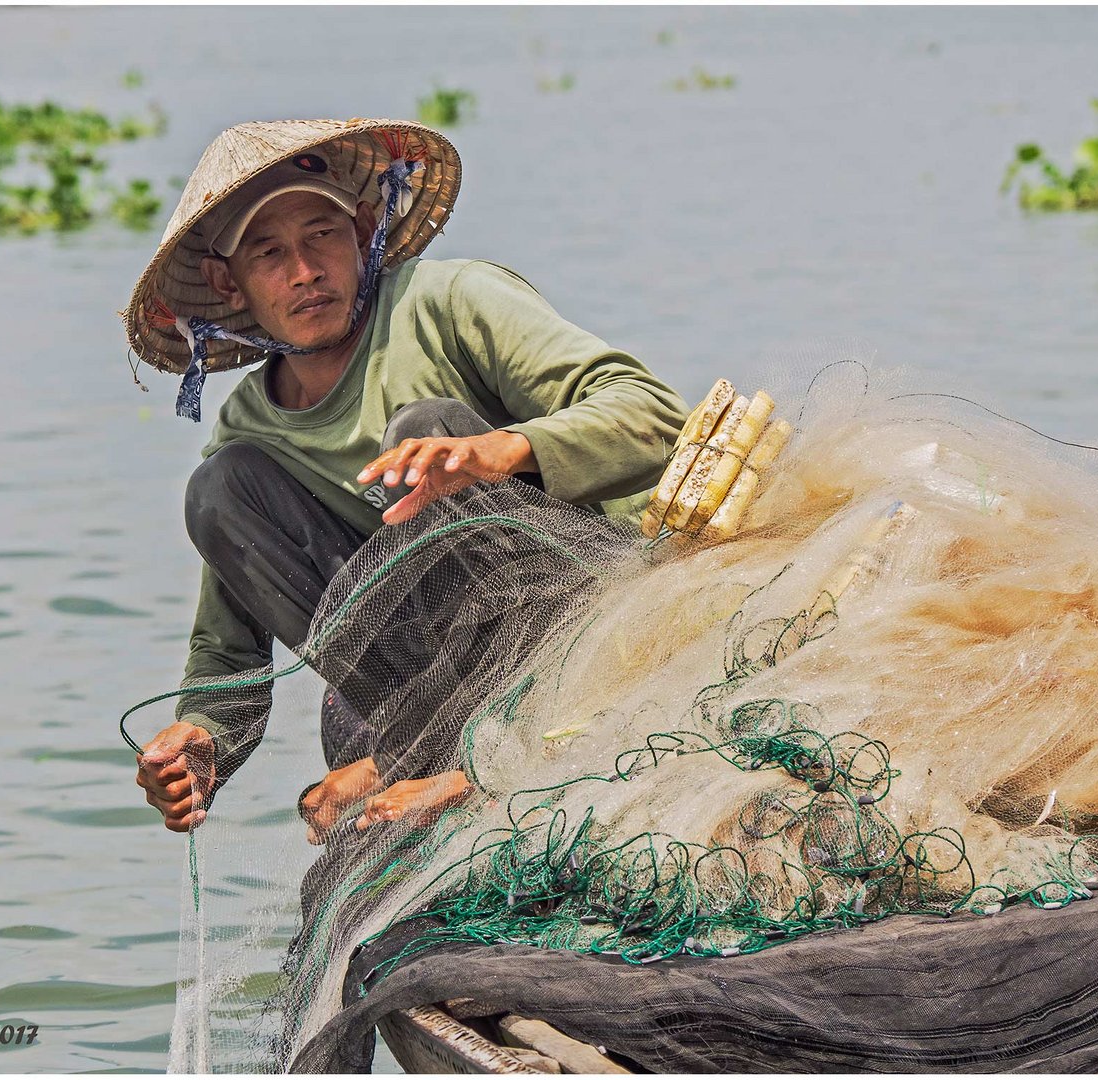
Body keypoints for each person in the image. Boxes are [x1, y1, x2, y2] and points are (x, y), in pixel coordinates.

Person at [122, 118, 687, 841]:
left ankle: (493, 759)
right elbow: (227, 655)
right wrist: (198, 742)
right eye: (269, 254)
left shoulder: (449, 301)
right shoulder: (249, 438)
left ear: (360, 230)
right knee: (217, 493)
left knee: (424, 431)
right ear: (227, 283)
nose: (304, 271)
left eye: (321, 235)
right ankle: (440, 753)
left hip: (593, 623)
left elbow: (657, 418)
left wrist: (497, 453)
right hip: (433, 691)